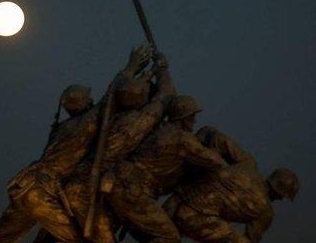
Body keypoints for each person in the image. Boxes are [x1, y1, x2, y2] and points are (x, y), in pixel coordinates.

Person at [0, 44, 152, 243]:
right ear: (84, 104)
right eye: (89, 99)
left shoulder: (62, 127)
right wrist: (131, 66)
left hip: (25, 187)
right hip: (41, 191)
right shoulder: (82, 125)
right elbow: (110, 98)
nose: (92, 101)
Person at [56, 52, 176, 243]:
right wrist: (162, 69)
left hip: (83, 186)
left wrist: (136, 69)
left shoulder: (106, 119)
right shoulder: (135, 122)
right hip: (87, 191)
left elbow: (112, 93)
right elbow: (167, 95)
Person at [108, 96, 225, 243]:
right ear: (183, 117)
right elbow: (216, 162)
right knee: (170, 237)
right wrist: (213, 146)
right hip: (134, 191)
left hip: (119, 185)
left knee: (149, 237)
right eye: (192, 116)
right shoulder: (182, 139)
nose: (194, 121)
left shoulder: (158, 129)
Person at [165, 127, 300, 243]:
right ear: (279, 192)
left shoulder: (248, 164)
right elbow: (251, 239)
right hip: (194, 220)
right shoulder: (265, 211)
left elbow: (213, 136)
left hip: (178, 201)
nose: (281, 199)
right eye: (283, 196)